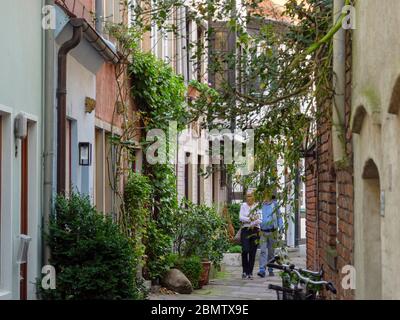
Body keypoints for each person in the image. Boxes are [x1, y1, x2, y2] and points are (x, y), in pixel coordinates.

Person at [257, 192, 283, 278]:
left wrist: (281, 227)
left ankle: (271, 268)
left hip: (273, 231)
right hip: (263, 232)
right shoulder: (260, 205)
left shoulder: (274, 205)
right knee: (263, 251)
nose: (266, 197)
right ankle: (262, 269)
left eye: (267, 195)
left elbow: (279, 216)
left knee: (271, 251)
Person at [239, 191, 262, 280]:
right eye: (247, 196)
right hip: (245, 230)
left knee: (253, 252)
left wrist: (249, 220)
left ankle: (250, 272)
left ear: (254, 197)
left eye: (250, 196)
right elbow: (241, 217)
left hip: (255, 230)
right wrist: (251, 219)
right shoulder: (243, 206)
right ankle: (245, 270)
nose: (248, 198)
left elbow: (260, 219)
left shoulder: (257, 206)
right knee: (245, 250)